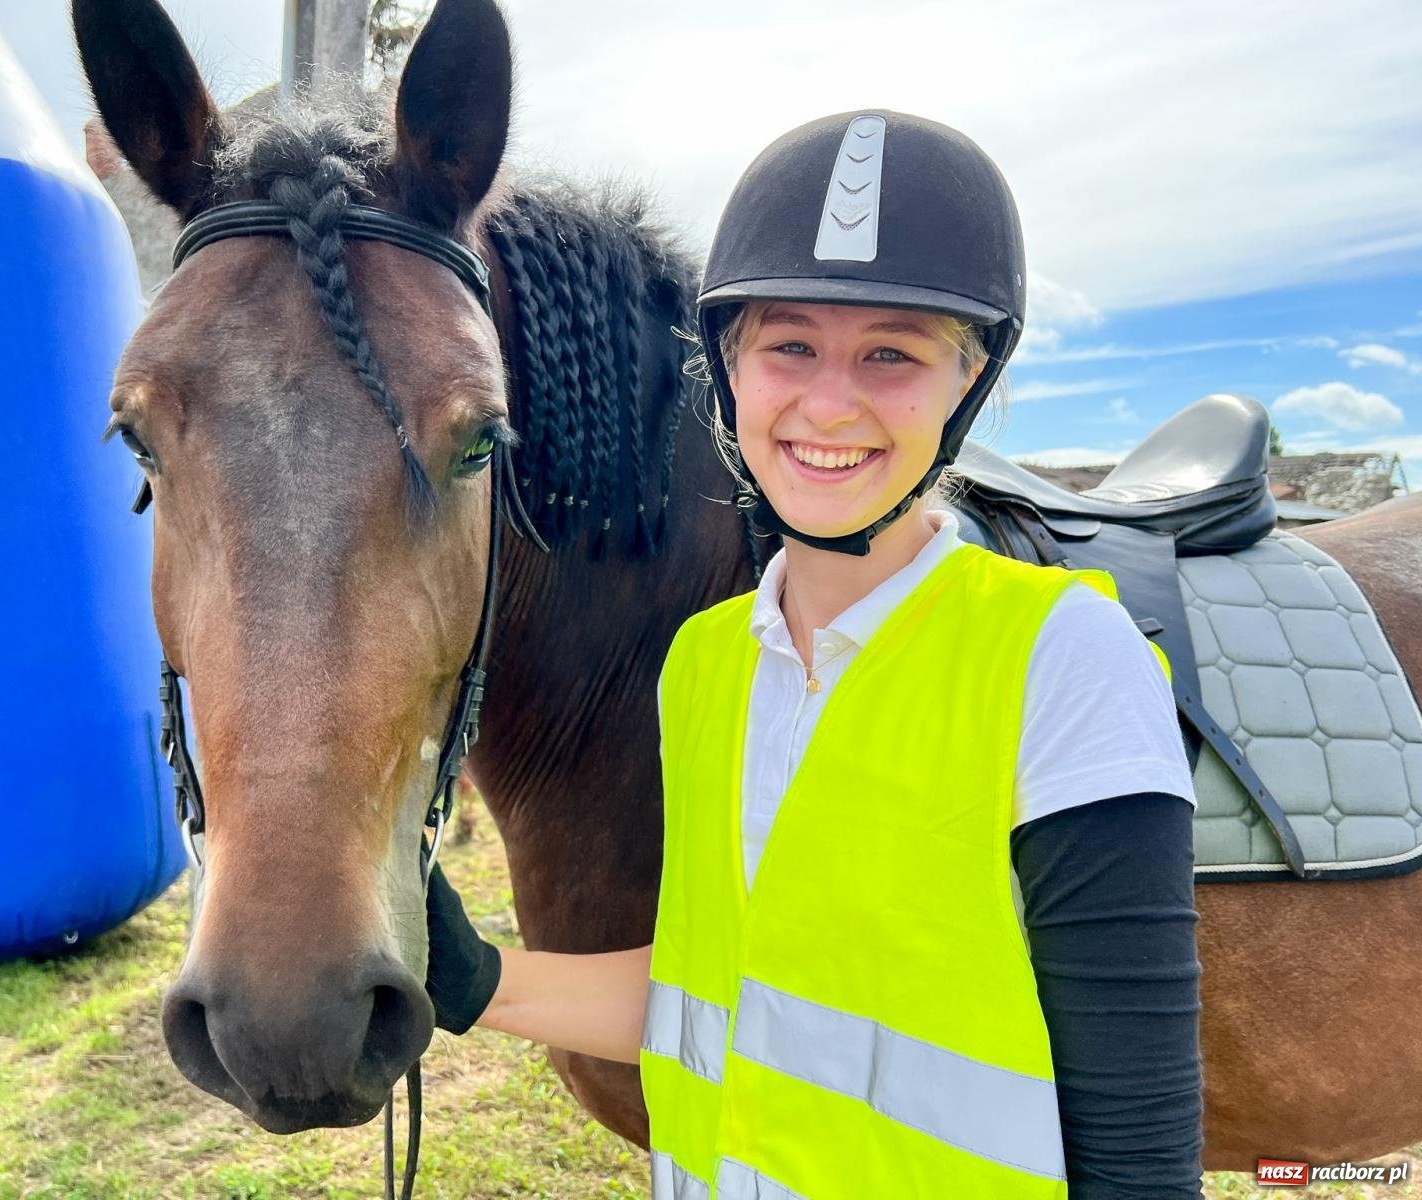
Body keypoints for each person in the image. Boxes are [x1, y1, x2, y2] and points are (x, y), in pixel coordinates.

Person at [423, 110, 1204, 1199]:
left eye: (892, 352)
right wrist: (475, 981)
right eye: (788, 343)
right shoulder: (703, 662)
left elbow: (1138, 1143)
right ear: (729, 369)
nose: (827, 402)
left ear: (966, 385)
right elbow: (727, 992)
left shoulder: (1063, 656)